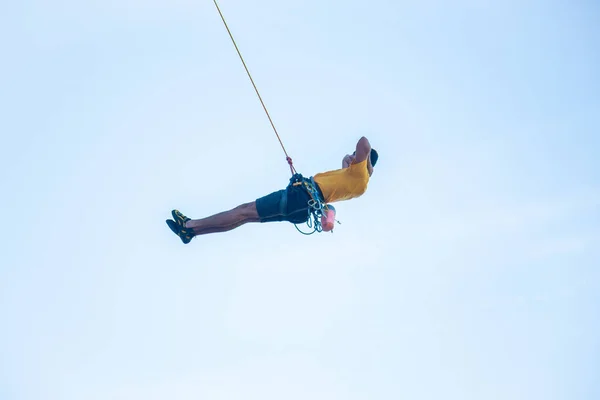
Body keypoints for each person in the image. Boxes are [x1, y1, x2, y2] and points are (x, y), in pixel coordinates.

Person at [166, 136, 378, 244]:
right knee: (245, 217)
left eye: (355, 157)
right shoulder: (358, 183)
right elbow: (340, 180)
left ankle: (190, 224)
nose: (353, 157)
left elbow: (364, 143)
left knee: (244, 210)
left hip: (302, 198)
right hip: (302, 208)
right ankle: (192, 232)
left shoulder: (362, 174)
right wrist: (346, 161)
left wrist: (364, 161)